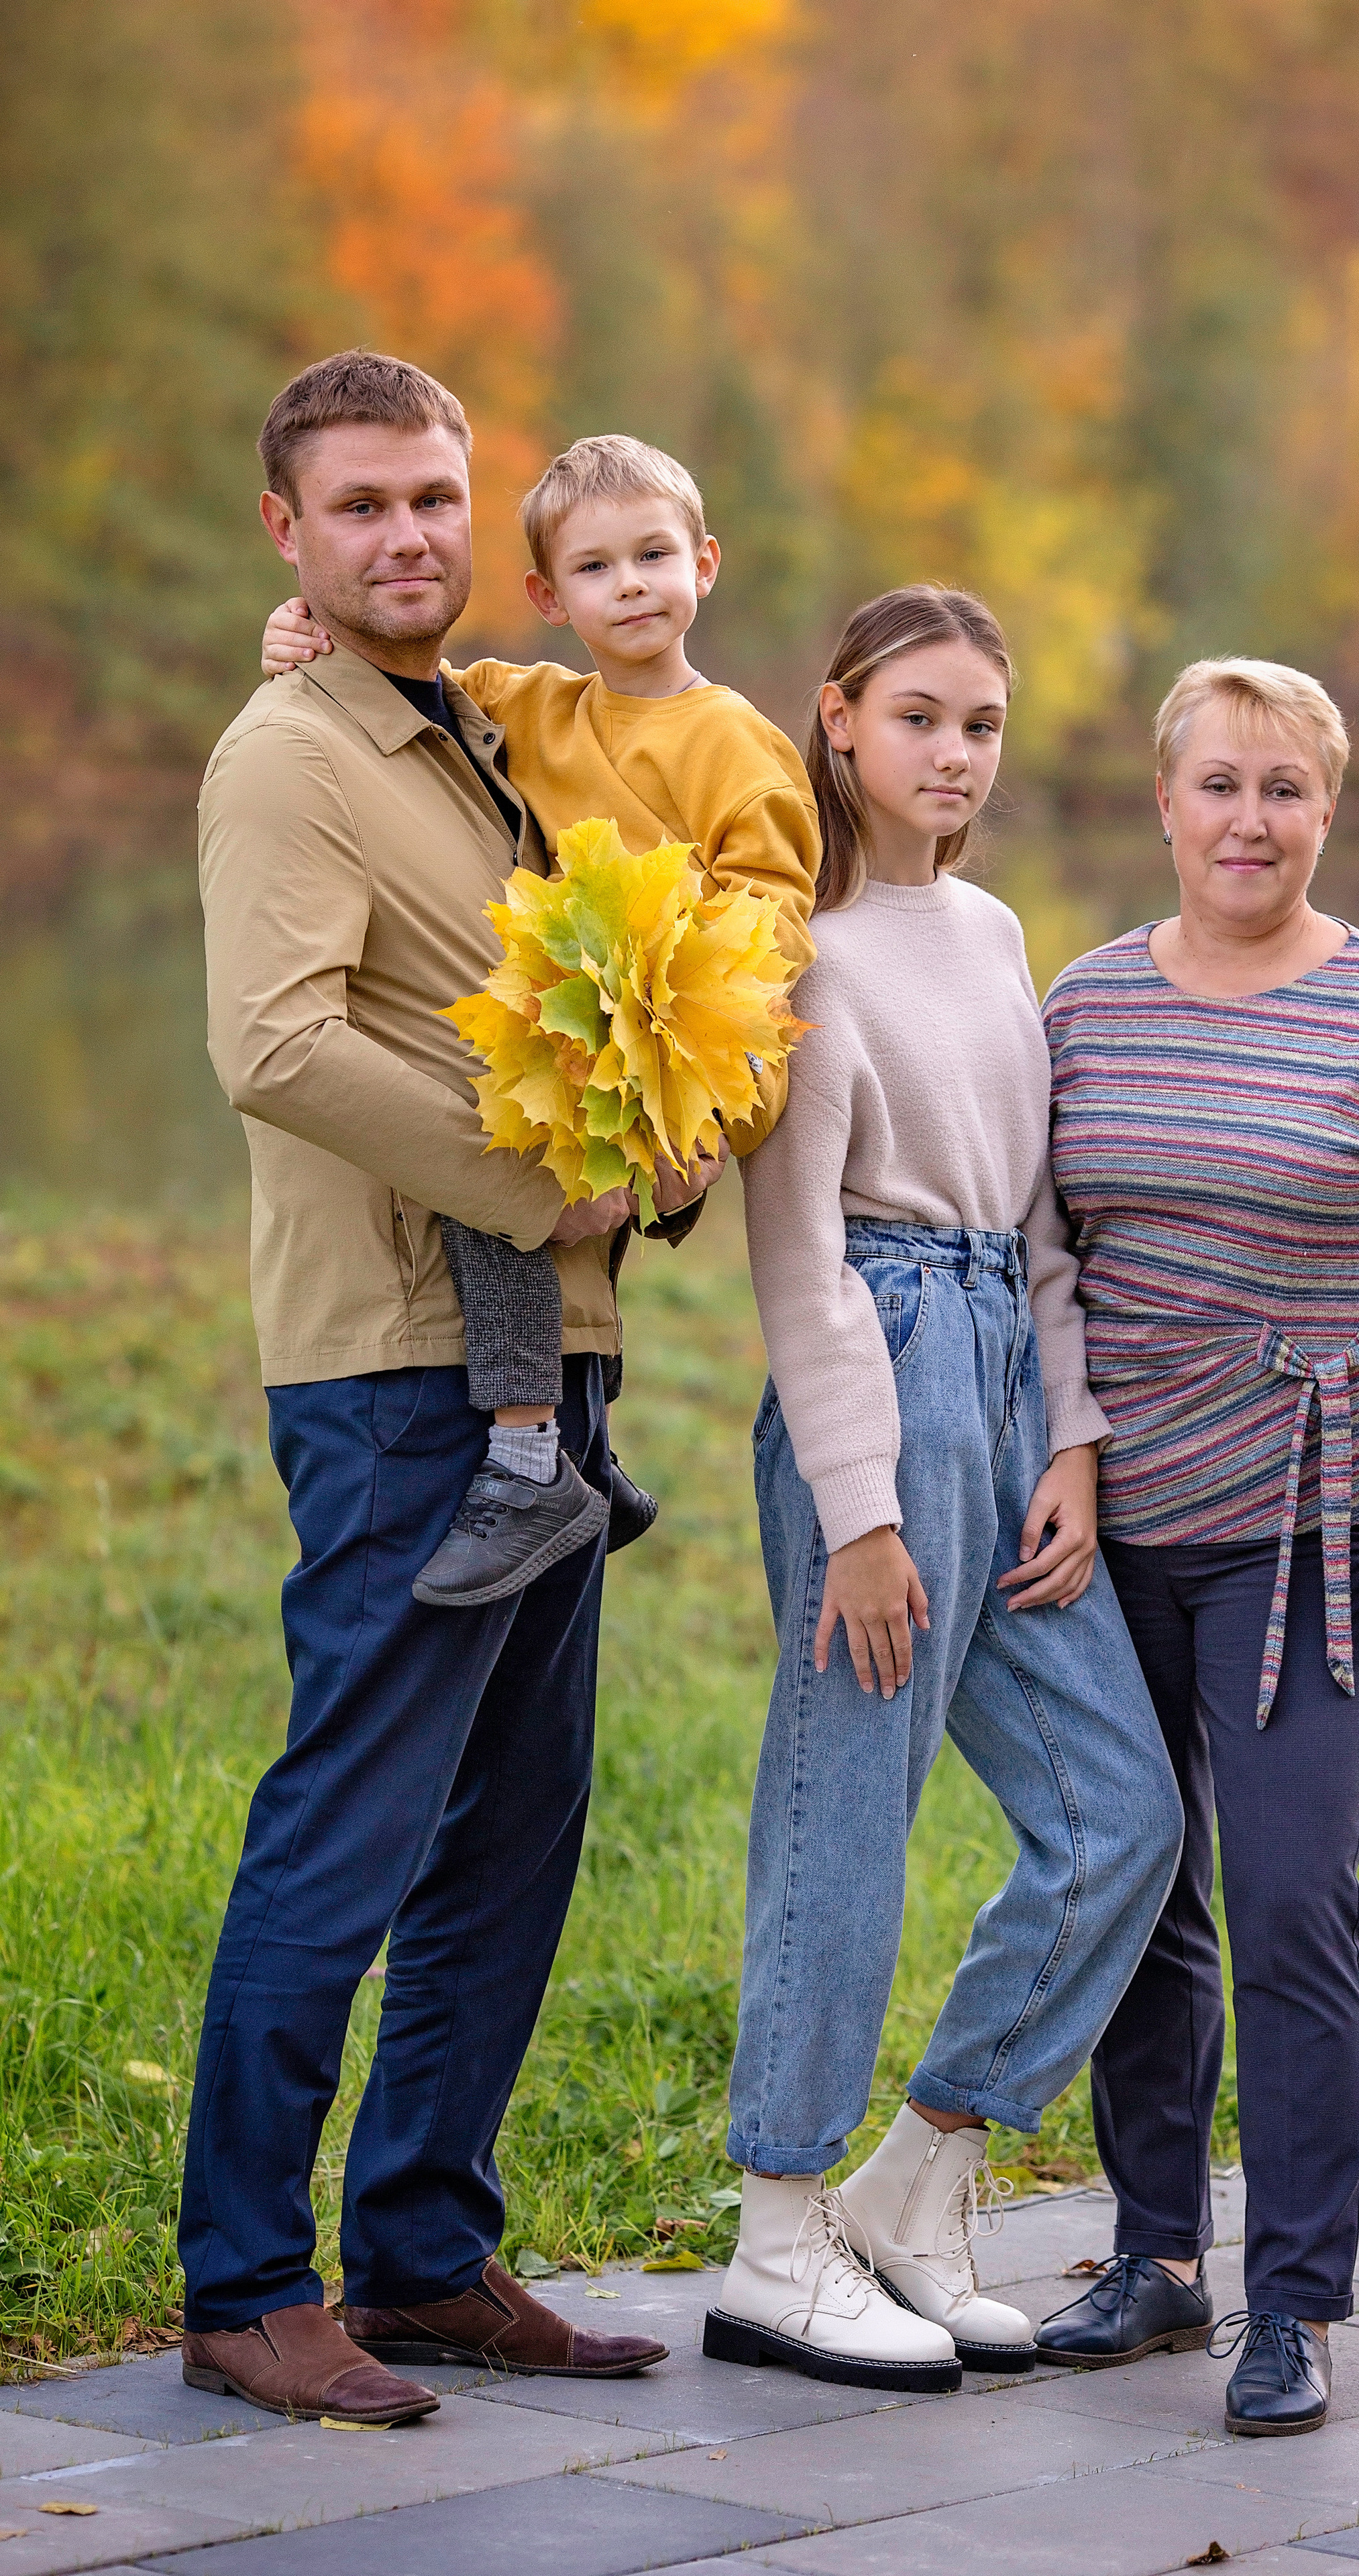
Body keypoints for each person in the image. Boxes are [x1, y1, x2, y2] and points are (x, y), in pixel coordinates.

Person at [182, 353, 718, 2424]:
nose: (406, 535)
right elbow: (277, 1041)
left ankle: (420, 2255)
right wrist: (540, 1180)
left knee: (512, 1835)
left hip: (548, 1361)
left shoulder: (478, 742)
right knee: (352, 1824)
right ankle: (247, 2286)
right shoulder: (289, 755)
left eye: (432, 497)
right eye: (362, 505)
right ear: (289, 532)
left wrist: (654, 1148)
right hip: (399, 1369)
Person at [702, 586, 1184, 2393]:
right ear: (836, 719)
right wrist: (862, 1512)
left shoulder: (989, 932)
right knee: (846, 1816)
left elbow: (1041, 1218)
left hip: (1000, 1374)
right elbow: (798, 1255)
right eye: (918, 716)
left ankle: (913, 2186)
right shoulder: (795, 953)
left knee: (1116, 1814)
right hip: (882, 1379)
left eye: (981, 723)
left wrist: (1070, 1438)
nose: (954, 753)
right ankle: (774, 2239)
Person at [1030, 657, 1359, 2436]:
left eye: (1283, 789)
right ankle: (1157, 2257)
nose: (1248, 820)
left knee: (1293, 1904)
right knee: (1141, 1891)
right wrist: (1058, 1457)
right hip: (1109, 1528)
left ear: (1327, 808)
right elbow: (1040, 1254)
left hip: (1306, 1533)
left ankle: (1293, 2301)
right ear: (1163, 801)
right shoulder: (1081, 1003)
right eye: (1219, 785)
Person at [260, 431, 819, 1609]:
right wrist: (298, 637)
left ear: (705, 565)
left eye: (654, 556)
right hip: (582, 1016)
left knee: (497, 1174)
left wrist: (705, 1084)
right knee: (507, 1153)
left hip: (677, 1034)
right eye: (596, 568)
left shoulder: (736, 743)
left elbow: (773, 919)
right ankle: (582, 1453)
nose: (632, 587)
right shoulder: (533, 704)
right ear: (548, 598)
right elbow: (406, 689)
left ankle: (527, 1459)